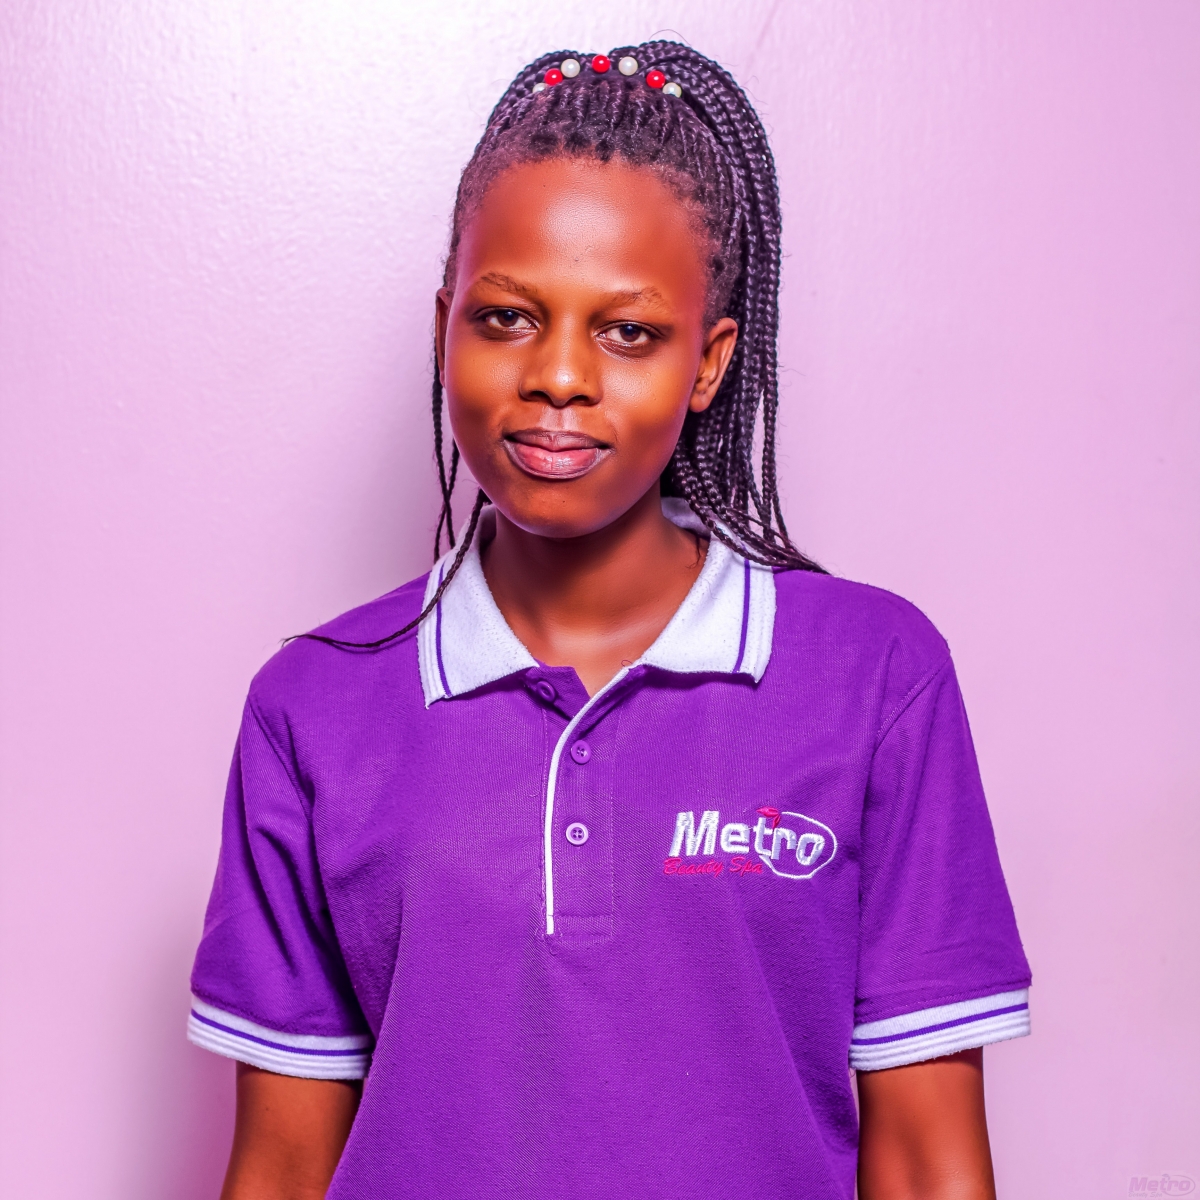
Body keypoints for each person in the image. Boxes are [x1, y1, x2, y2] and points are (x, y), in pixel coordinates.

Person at [188, 42, 1031, 1200]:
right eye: (506, 317)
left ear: (709, 362)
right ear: (445, 327)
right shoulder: (314, 706)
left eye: (627, 332)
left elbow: (931, 1160)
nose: (560, 376)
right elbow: (283, 1165)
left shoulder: (875, 677)